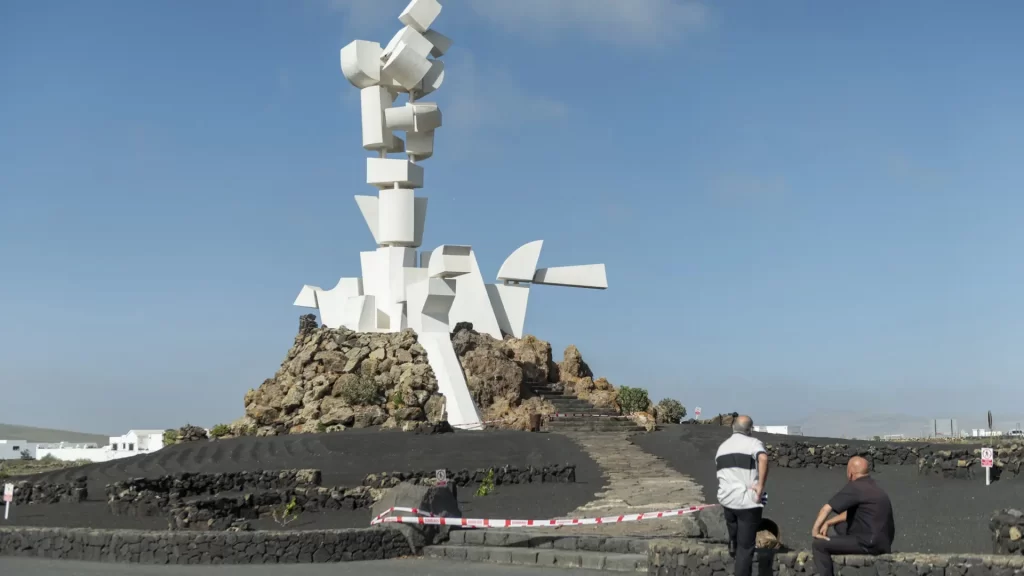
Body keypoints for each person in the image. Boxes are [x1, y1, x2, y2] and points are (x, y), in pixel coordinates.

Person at [810, 456, 896, 576]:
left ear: (850, 473)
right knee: (840, 525)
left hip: (869, 543)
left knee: (818, 545)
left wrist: (815, 531)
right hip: (884, 543)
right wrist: (829, 522)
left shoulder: (855, 487)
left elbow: (826, 509)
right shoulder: (874, 487)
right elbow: (853, 513)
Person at [715, 415, 769, 576]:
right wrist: (760, 486)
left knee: (732, 523)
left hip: (726, 498)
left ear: (733, 427)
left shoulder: (722, 447)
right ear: (750, 429)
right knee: (745, 549)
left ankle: (732, 540)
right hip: (747, 502)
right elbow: (763, 458)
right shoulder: (753, 443)